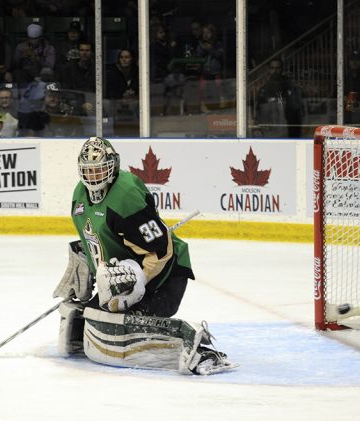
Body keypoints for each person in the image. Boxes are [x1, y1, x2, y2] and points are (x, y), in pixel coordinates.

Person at [53, 137, 236, 375]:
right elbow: (93, 239)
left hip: (165, 275)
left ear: (113, 166)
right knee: (94, 316)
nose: (93, 177)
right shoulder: (80, 194)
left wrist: (136, 281)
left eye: (99, 170)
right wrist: (84, 268)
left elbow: (161, 249)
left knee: (126, 321)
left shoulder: (125, 196)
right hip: (122, 275)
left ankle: (201, 351)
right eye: (88, 171)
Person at [255, 57, 304, 138]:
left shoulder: (290, 87)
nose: (275, 71)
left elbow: (297, 109)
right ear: (269, 70)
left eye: (278, 68)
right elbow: (259, 110)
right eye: (272, 68)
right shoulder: (264, 89)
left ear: (282, 69)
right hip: (270, 130)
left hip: (289, 130)